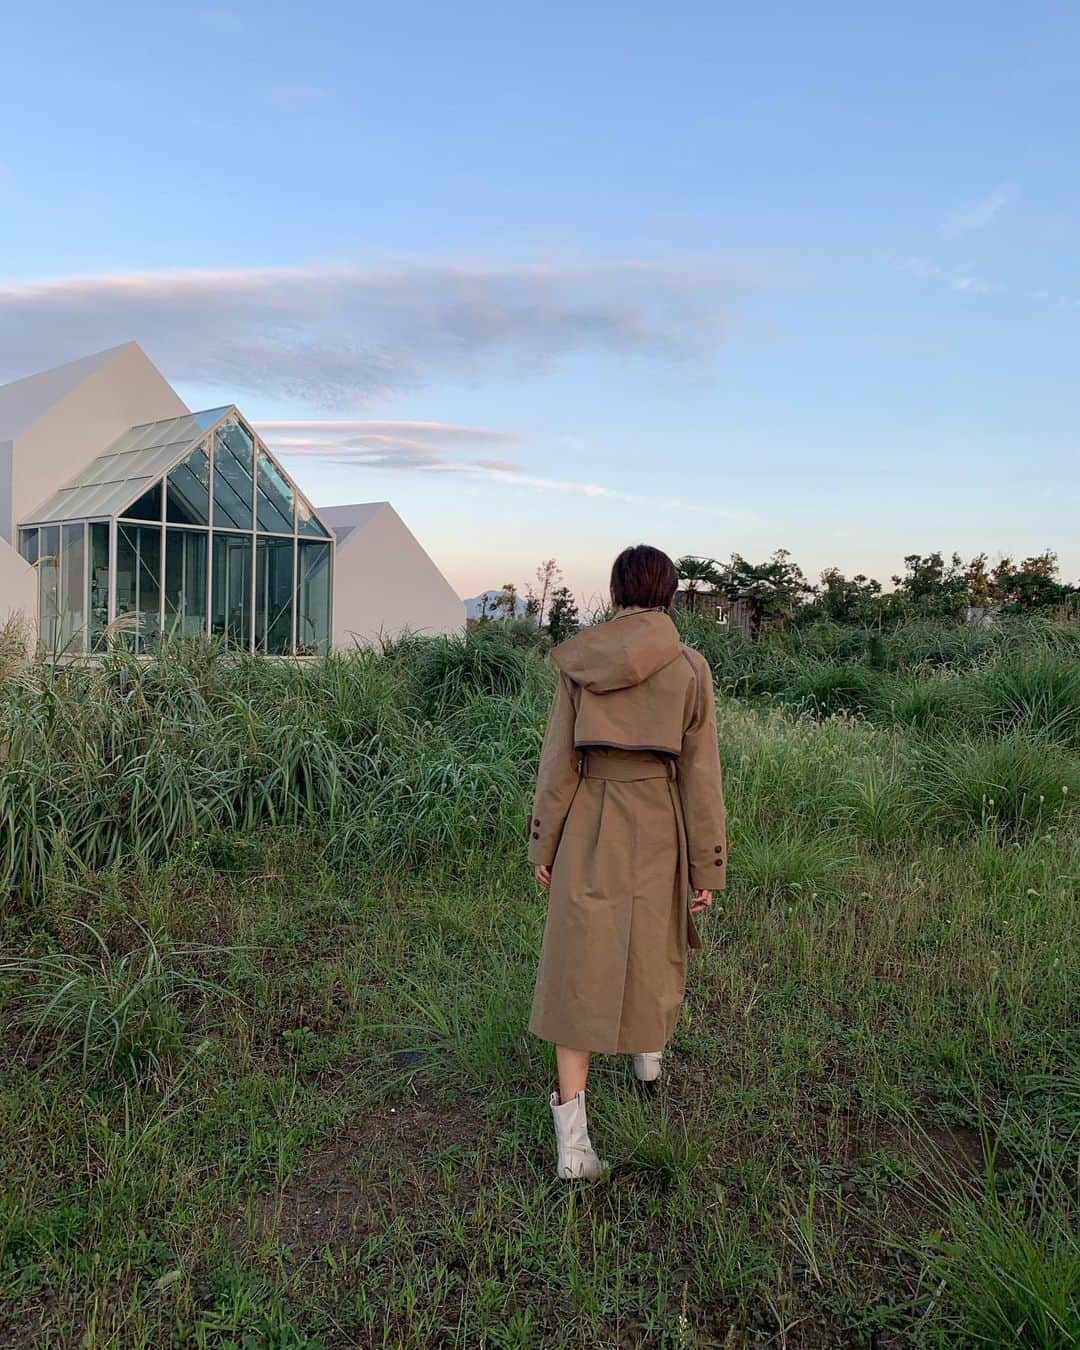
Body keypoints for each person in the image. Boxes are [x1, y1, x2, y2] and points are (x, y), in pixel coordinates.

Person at [527, 543, 727, 1180]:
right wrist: (707, 866)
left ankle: (574, 1149)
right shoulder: (691, 667)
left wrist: (544, 841)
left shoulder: (580, 662)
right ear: (669, 593)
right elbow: (701, 777)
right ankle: (648, 1057)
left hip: (589, 816)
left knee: (579, 964)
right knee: (652, 944)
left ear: (616, 592)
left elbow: (560, 761)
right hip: (661, 820)